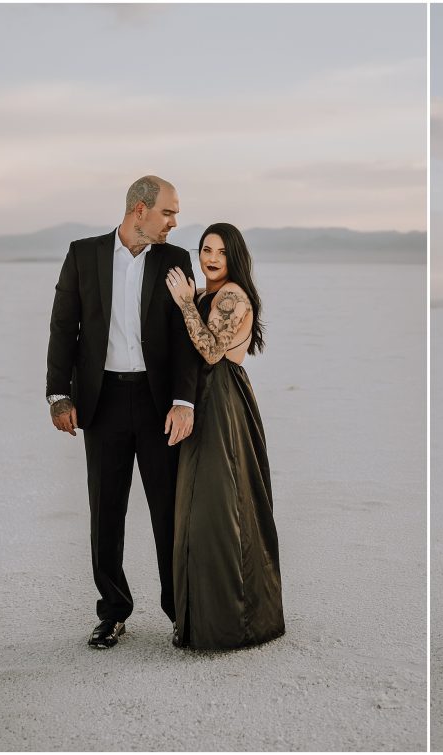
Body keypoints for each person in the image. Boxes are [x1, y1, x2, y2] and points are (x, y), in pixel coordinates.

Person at [46, 175, 200, 648]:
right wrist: (58, 394)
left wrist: (184, 401)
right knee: (106, 511)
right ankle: (113, 612)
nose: (175, 222)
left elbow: (182, 338)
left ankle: (180, 612)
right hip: (103, 401)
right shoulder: (84, 254)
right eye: (168, 212)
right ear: (140, 209)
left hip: (158, 406)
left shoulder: (175, 259)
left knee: (167, 512)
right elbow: (62, 327)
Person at [165, 222, 285, 650]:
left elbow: (212, 351)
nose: (210, 258)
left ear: (234, 257)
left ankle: (235, 622)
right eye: (205, 250)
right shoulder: (204, 295)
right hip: (205, 395)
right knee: (199, 508)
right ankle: (201, 620)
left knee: (220, 508)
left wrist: (184, 305)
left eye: (220, 251)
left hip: (222, 400)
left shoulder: (232, 295)